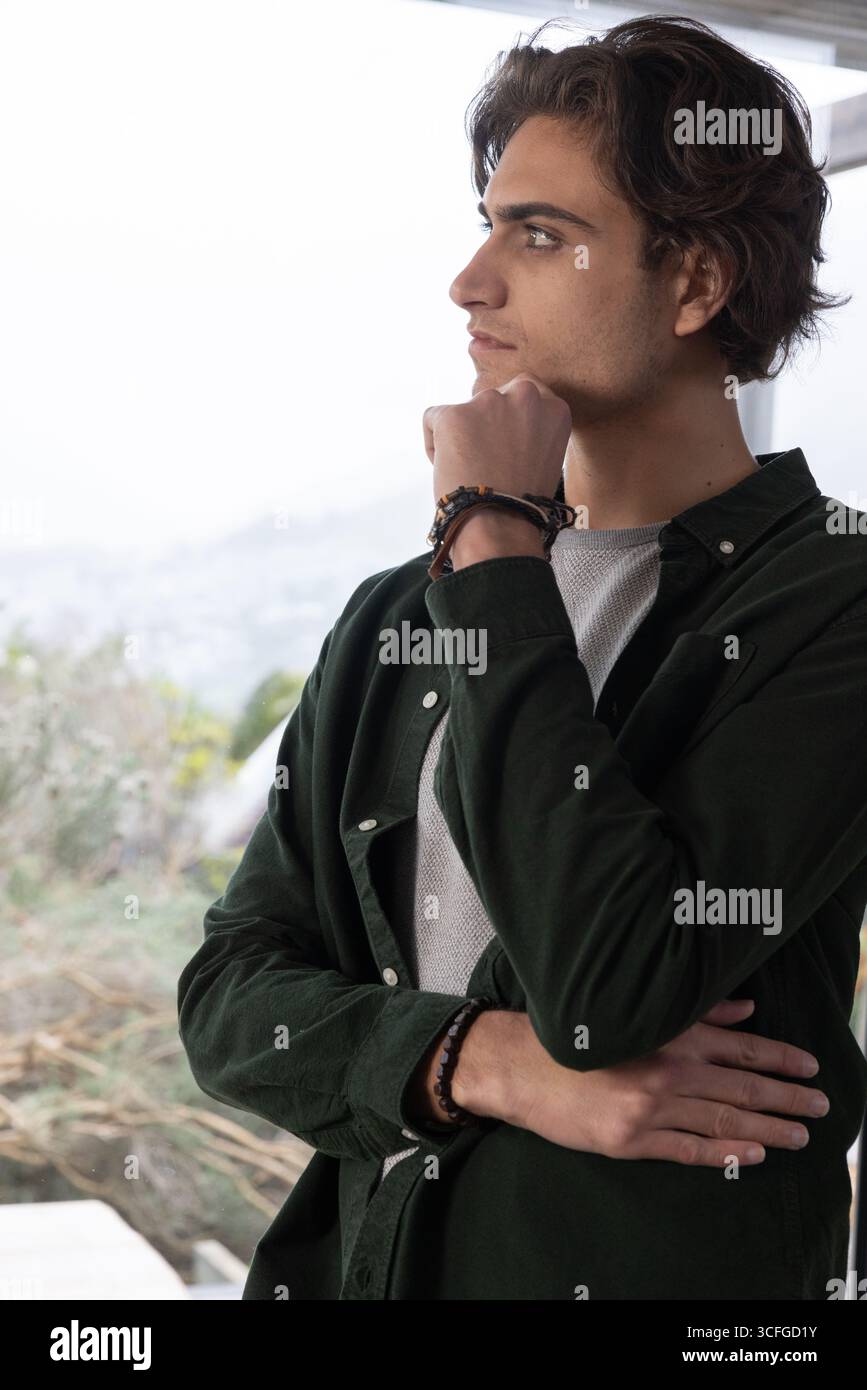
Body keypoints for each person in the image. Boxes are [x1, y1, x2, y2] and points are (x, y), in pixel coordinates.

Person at [177, 14, 867, 1299]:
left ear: (696, 284)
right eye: (488, 222)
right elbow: (228, 995)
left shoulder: (833, 599)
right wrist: (479, 1061)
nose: (470, 281)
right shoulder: (397, 612)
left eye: (539, 235)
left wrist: (493, 539)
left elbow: (612, 984)